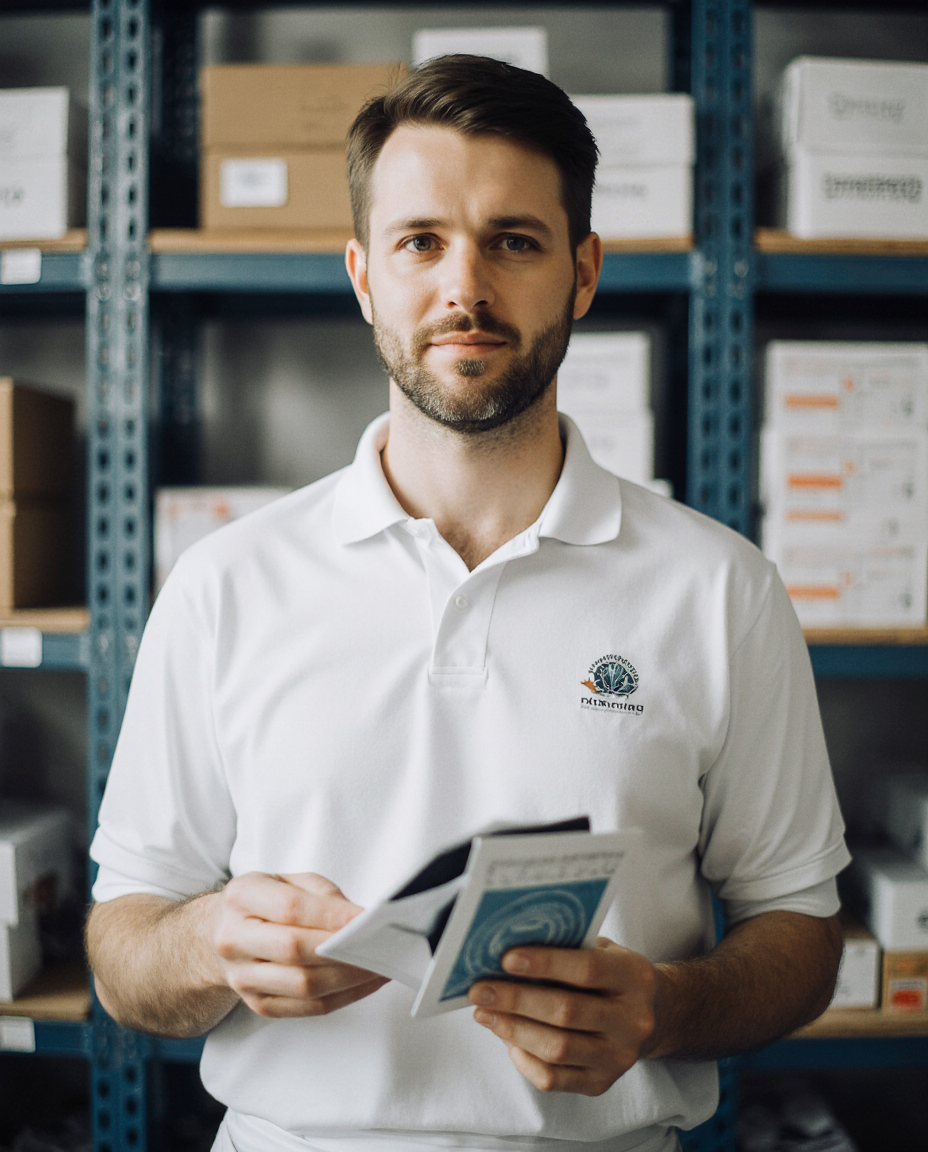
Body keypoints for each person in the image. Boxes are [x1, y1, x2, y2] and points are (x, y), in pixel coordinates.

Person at [86, 56, 849, 1152]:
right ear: (362, 275)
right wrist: (207, 942)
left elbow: (801, 929)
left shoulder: (718, 587)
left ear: (583, 272)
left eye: (515, 241)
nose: (465, 289)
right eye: (420, 242)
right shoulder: (226, 582)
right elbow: (123, 950)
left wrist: (667, 1011)